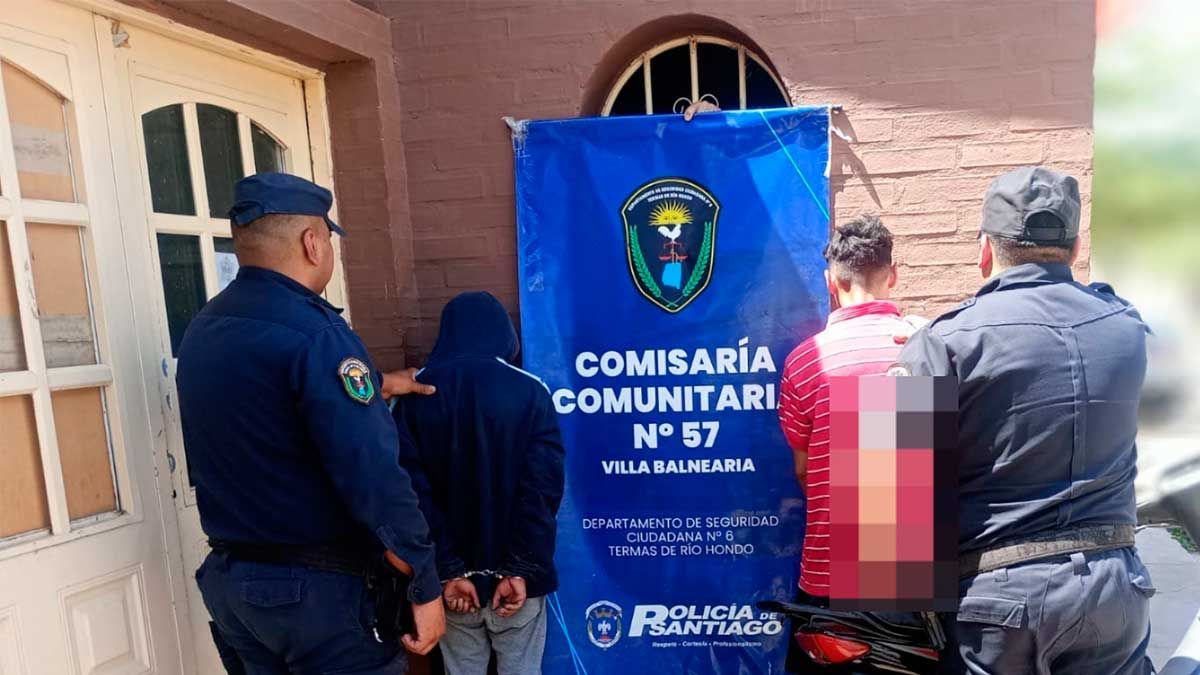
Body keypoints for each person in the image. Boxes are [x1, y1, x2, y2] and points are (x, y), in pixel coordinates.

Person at [176, 172, 445, 674]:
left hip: (235, 588)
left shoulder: (204, 327)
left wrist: (380, 383)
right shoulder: (319, 334)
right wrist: (423, 582)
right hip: (319, 599)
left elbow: (265, 402)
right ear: (312, 242)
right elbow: (373, 474)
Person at [894, 166, 1154, 675]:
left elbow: (882, 514)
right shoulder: (1128, 326)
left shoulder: (944, 341)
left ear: (984, 250)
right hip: (1117, 588)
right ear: (1074, 249)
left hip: (999, 605)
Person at [393, 291, 565, 675]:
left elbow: (410, 497)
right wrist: (519, 570)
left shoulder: (414, 395)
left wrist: (449, 571)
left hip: (451, 588)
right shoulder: (531, 391)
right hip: (516, 587)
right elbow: (542, 491)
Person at [776, 215, 912, 670]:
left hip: (830, 573)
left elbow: (803, 468)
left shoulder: (807, 360)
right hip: (909, 576)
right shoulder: (927, 345)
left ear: (830, 282)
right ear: (892, 275)